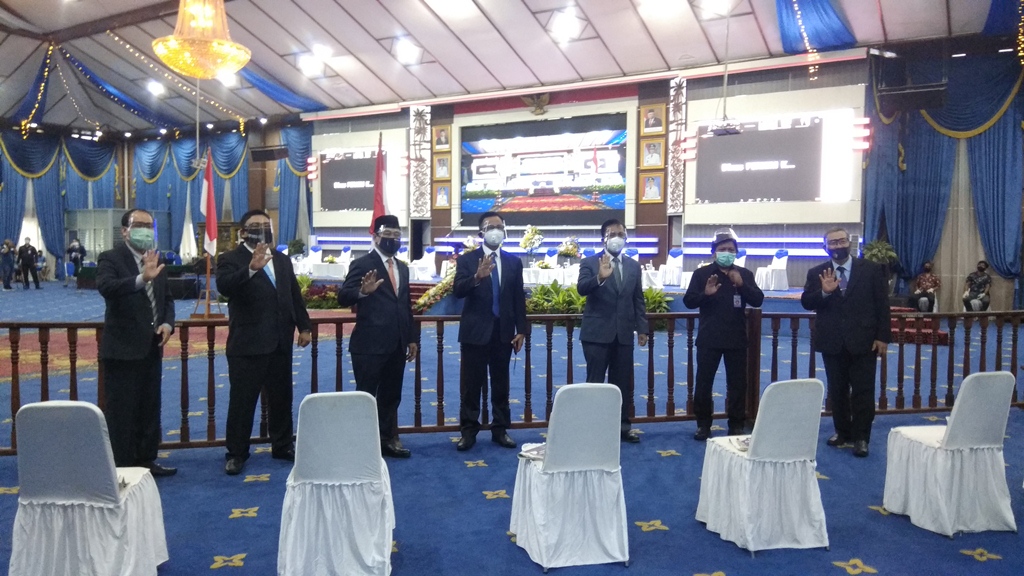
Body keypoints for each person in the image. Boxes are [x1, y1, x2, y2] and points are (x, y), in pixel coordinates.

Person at [218, 210, 312, 475]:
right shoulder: (230, 259)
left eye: (265, 224)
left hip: (280, 341)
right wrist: (250, 269)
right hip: (247, 344)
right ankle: (236, 453)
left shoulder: (281, 259)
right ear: (243, 232)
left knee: (281, 398)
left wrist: (304, 326)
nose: (262, 229)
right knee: (242, 402)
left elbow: (293, 295)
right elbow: (224, 286)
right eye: (255, 225)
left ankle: (282, 445)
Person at [96, 209, 176, 477]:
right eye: (139, 224)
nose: (145, 230)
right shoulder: (110, 258)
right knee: (121, 413)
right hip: (122, 350)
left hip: (151, 348)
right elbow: (107, 288)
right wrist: (143, 278)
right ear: (125, 231)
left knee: (149, 409)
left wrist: (167, 324)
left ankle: (146, 461)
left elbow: (167, 300)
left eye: (149, 225)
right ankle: (122, 467)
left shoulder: (155, 258)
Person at [801, 227, 890, 458]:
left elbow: (882, 305)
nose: (838, 246)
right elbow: (806, 302)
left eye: (841, 241)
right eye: (832, 243)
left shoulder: (871, 270)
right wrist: (824, 292)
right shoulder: (817, 272)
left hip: (865, 341)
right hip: (832, 341)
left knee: (863, 391)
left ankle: (861, 437)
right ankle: (842, 432)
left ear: (849, 243)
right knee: (837, 390)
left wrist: (882, 337)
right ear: (825, 247)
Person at [338, 215, 417, 458]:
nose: (393, 239)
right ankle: (362, 444)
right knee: (365, 396)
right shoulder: (362, 264)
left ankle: (386, 439)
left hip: (397, 343)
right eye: (387, 235)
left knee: (391, 396)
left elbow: (405, 305)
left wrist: (411, 337)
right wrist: (362, 291)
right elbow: (343, 296)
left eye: (397, 235)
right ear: (376, 237)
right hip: (369, 345)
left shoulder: (402, 267)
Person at [453, 211, 527, 451]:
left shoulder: (513, 262)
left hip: (503, 333)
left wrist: (521, 330)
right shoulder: (467, 260)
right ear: (481, 233)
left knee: (501, 384)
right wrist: (477, 277)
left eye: (499, 227)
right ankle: (468, 431)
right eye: (490, 227)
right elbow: (458, 291)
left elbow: (518, 299)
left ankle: (500, 429)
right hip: (475, 333)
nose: (496, 231)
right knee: (471, 385)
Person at [683, 228, 764, 441]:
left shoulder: (744, 274)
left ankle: (736, 424)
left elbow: (758, 299)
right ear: (714, 252)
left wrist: (742, 285)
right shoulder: (702, 274)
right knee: (704, 383)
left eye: (731, 249)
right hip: (709, 337)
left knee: (737, 384)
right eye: (723, 249)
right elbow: (689, 301)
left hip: (736, 338)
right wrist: (705, 294)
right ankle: (703, 424)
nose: (727, 253)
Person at [577, 219, 649, 443]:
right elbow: (581, 289)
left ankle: (622, 427)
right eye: (612, 234)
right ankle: (593, 429)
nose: (617, 237)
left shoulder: (633, 266)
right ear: (604, 239)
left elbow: (638, 299)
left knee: (622, 384)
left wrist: (642, 328)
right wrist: (600, 277)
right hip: (596, 334)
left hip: (624, 334)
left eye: (621, 234)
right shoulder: (590, 262)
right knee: (595, 383)